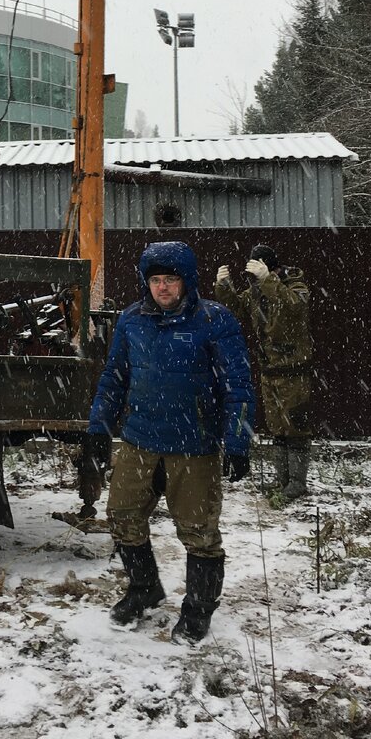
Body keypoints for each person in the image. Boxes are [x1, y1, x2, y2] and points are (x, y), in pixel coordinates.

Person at [87, 240, 255, 644]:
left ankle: (198, 610)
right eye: (156, 280)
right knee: (122, 515)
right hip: (139, 438)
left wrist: (237, 442)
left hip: (194, 445)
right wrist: (98, 429)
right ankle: (144, 588)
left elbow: (238, 385)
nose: (163, 288)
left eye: (171, 280)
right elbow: (114, 378)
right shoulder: (131, 320)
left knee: (199, 531)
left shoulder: (215, 320)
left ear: (187, 281)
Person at [214, 244, 313, 501]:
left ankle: (298, 483)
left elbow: (294, 307)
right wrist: (224, 285)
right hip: (270, 370)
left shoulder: (295, 285)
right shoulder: (258, 290)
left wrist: (268, 279)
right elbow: (236, 308)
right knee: (277, 428)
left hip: (294, 371)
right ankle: (283, 481)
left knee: (296, 427)